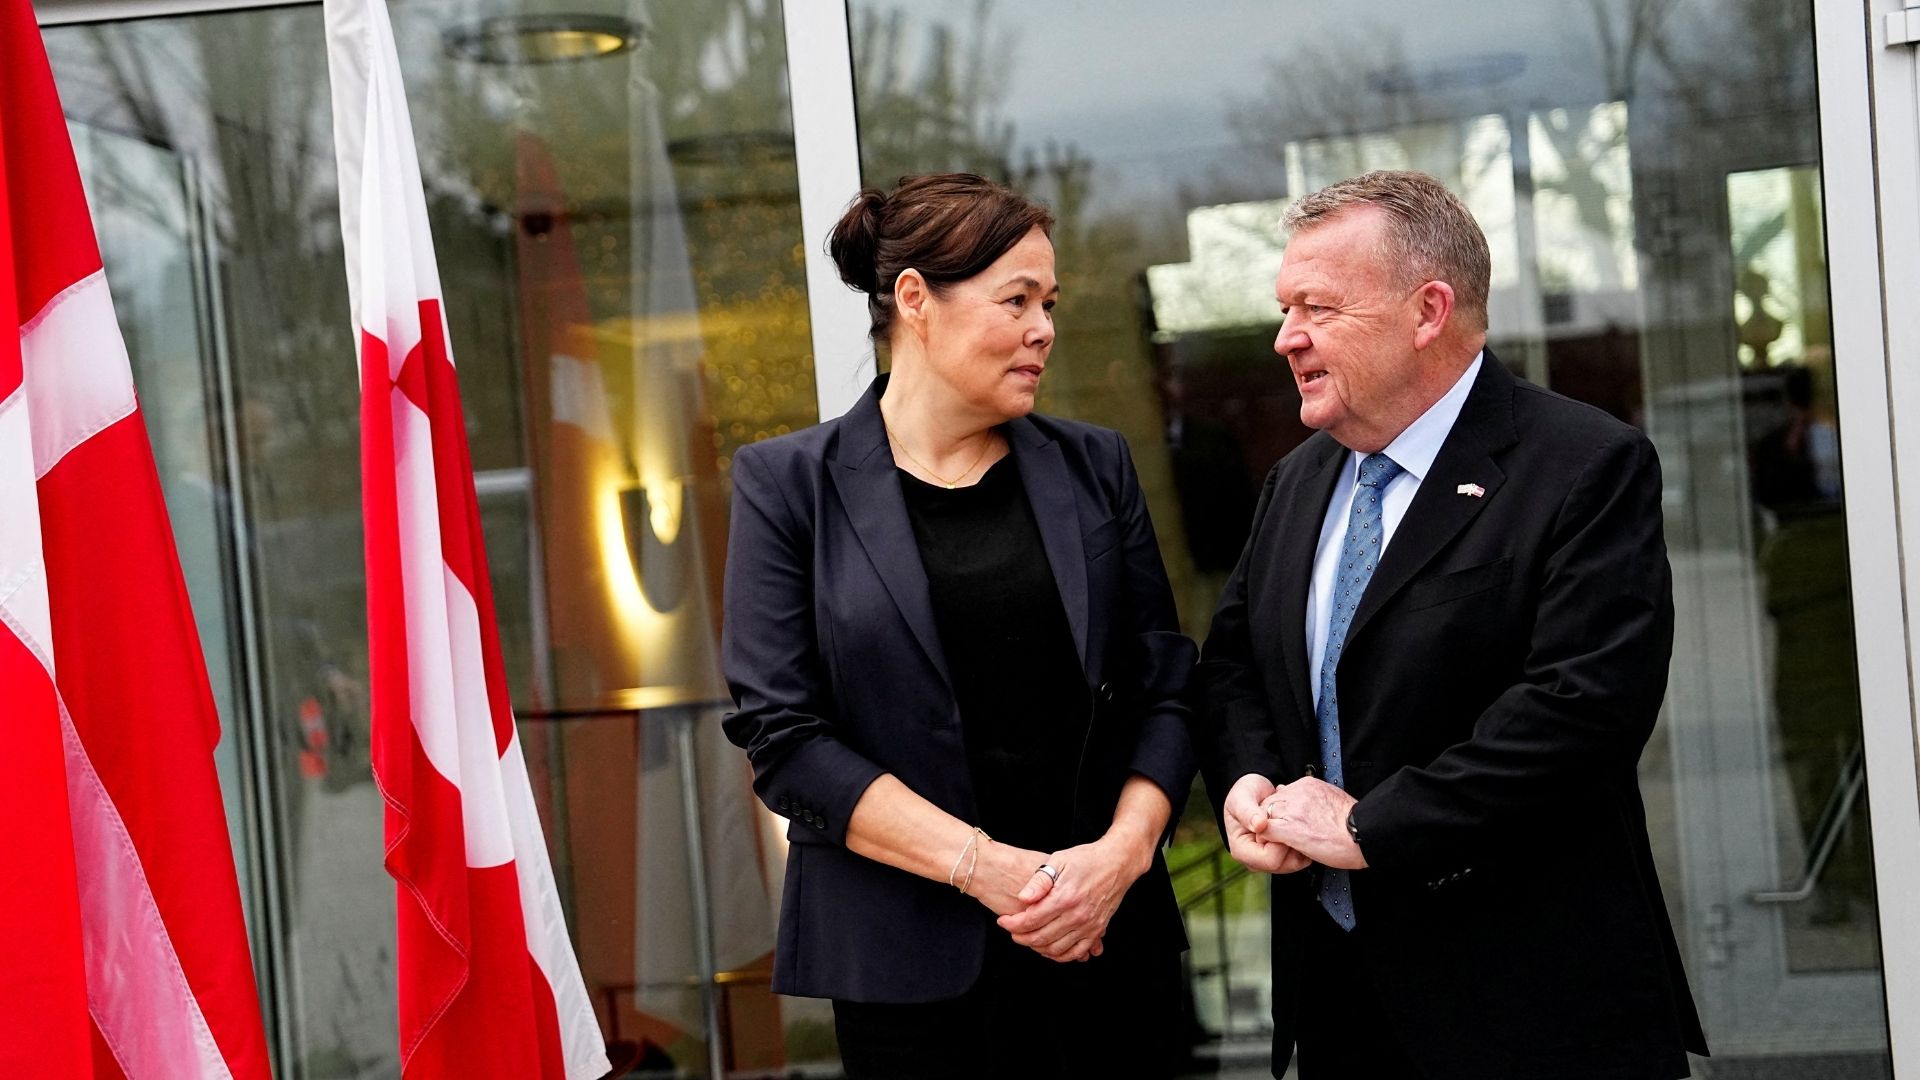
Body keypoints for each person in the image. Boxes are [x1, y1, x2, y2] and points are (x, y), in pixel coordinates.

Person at [1197, 170, 1708, 1079]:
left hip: (1531, 1003)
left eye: (1316, 306)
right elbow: (1237, 664)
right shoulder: (1298, 480)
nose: (1287, 339)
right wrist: (1247, 779)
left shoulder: (1584, 466)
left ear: (1428, 310)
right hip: (1342, 1000)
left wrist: (1370, 827)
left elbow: (1580, 709)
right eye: (1285, 309)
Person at [720, 173, 1195, 1078]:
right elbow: (784, 740)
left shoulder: (1095, 468)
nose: (1043, 327)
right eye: (1015, 299)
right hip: (909, 980)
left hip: (1103, 943)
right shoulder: (788, 487)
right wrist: (988, 869)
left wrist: (1120, 859)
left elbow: (1164, 689)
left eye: (1048, 302)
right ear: (914, 301)